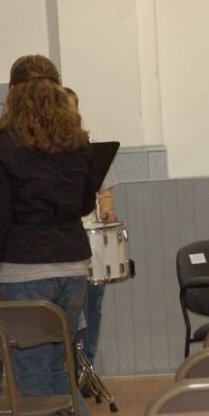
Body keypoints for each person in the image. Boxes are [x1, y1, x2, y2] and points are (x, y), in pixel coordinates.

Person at [0, 55, 105, 416]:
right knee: (57, 372)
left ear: (13, 91)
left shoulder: (0, 140)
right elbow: (85, 204)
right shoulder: (78, 139)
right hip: (73, 267)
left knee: (33, 382)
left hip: (23, 270)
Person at [65, 87, 120, 367]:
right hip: (67, 238)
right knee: (72, 304)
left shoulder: (92, 147)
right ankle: (70, 366)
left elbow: (105, 193)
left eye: (75, 107)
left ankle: (87, 364)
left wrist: (107, 210)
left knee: (94, 302)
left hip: (93, 234)